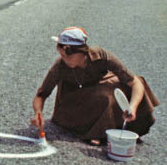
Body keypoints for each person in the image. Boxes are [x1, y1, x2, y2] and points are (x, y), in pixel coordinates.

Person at [30, 27, 160, 144]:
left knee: (136, 83)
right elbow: (41, 95)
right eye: (62, 55)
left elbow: (134, 82)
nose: (65, 59)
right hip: (73, 105)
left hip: (98, 92)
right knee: (105, 94)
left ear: (83, 52)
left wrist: (132, 107)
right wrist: (38, 113)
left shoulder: (100, 55)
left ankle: (129, 127)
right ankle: (98, 133)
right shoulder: (60, 66)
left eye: (69, 56)